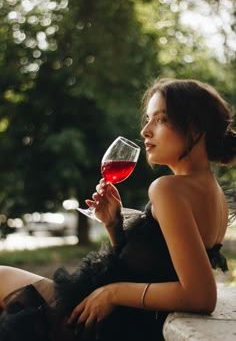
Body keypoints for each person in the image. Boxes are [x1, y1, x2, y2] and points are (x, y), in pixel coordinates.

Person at [0, 78, 235, 341]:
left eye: (160, 119)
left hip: (117, 324)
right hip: (131, 318)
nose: (145, 130)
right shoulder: (214, 194)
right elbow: (157, 268)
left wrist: (113, 292)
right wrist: (114, 224)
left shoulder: (167, 188)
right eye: (147, 119)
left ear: (195, 128)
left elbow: (201, 295)